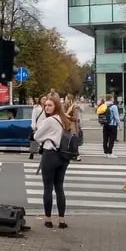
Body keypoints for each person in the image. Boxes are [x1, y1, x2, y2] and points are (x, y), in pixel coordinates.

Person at [32, 93, 75, 229]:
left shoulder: (49, 121)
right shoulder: (65, 119)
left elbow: (37, 136)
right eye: (45, 105)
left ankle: (48, 219)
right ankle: (62, 220)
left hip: (50, 154)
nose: (46, 108)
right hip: (64, 156)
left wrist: (46, 138)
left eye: (50, 105)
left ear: (56, 106)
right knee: (59, 188)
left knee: (48, 187)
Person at [29, 95, 47, 160]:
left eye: (45, 99)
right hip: (38, 127)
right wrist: (34, 127)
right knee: (35, 140)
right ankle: (32, 153)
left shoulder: (47, 108)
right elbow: (33, 118)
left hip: (45, 127)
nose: (44, 100)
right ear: (40, 100)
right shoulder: (36, 108)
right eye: (43, 99)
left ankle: (43, 153)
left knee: (44, 141)